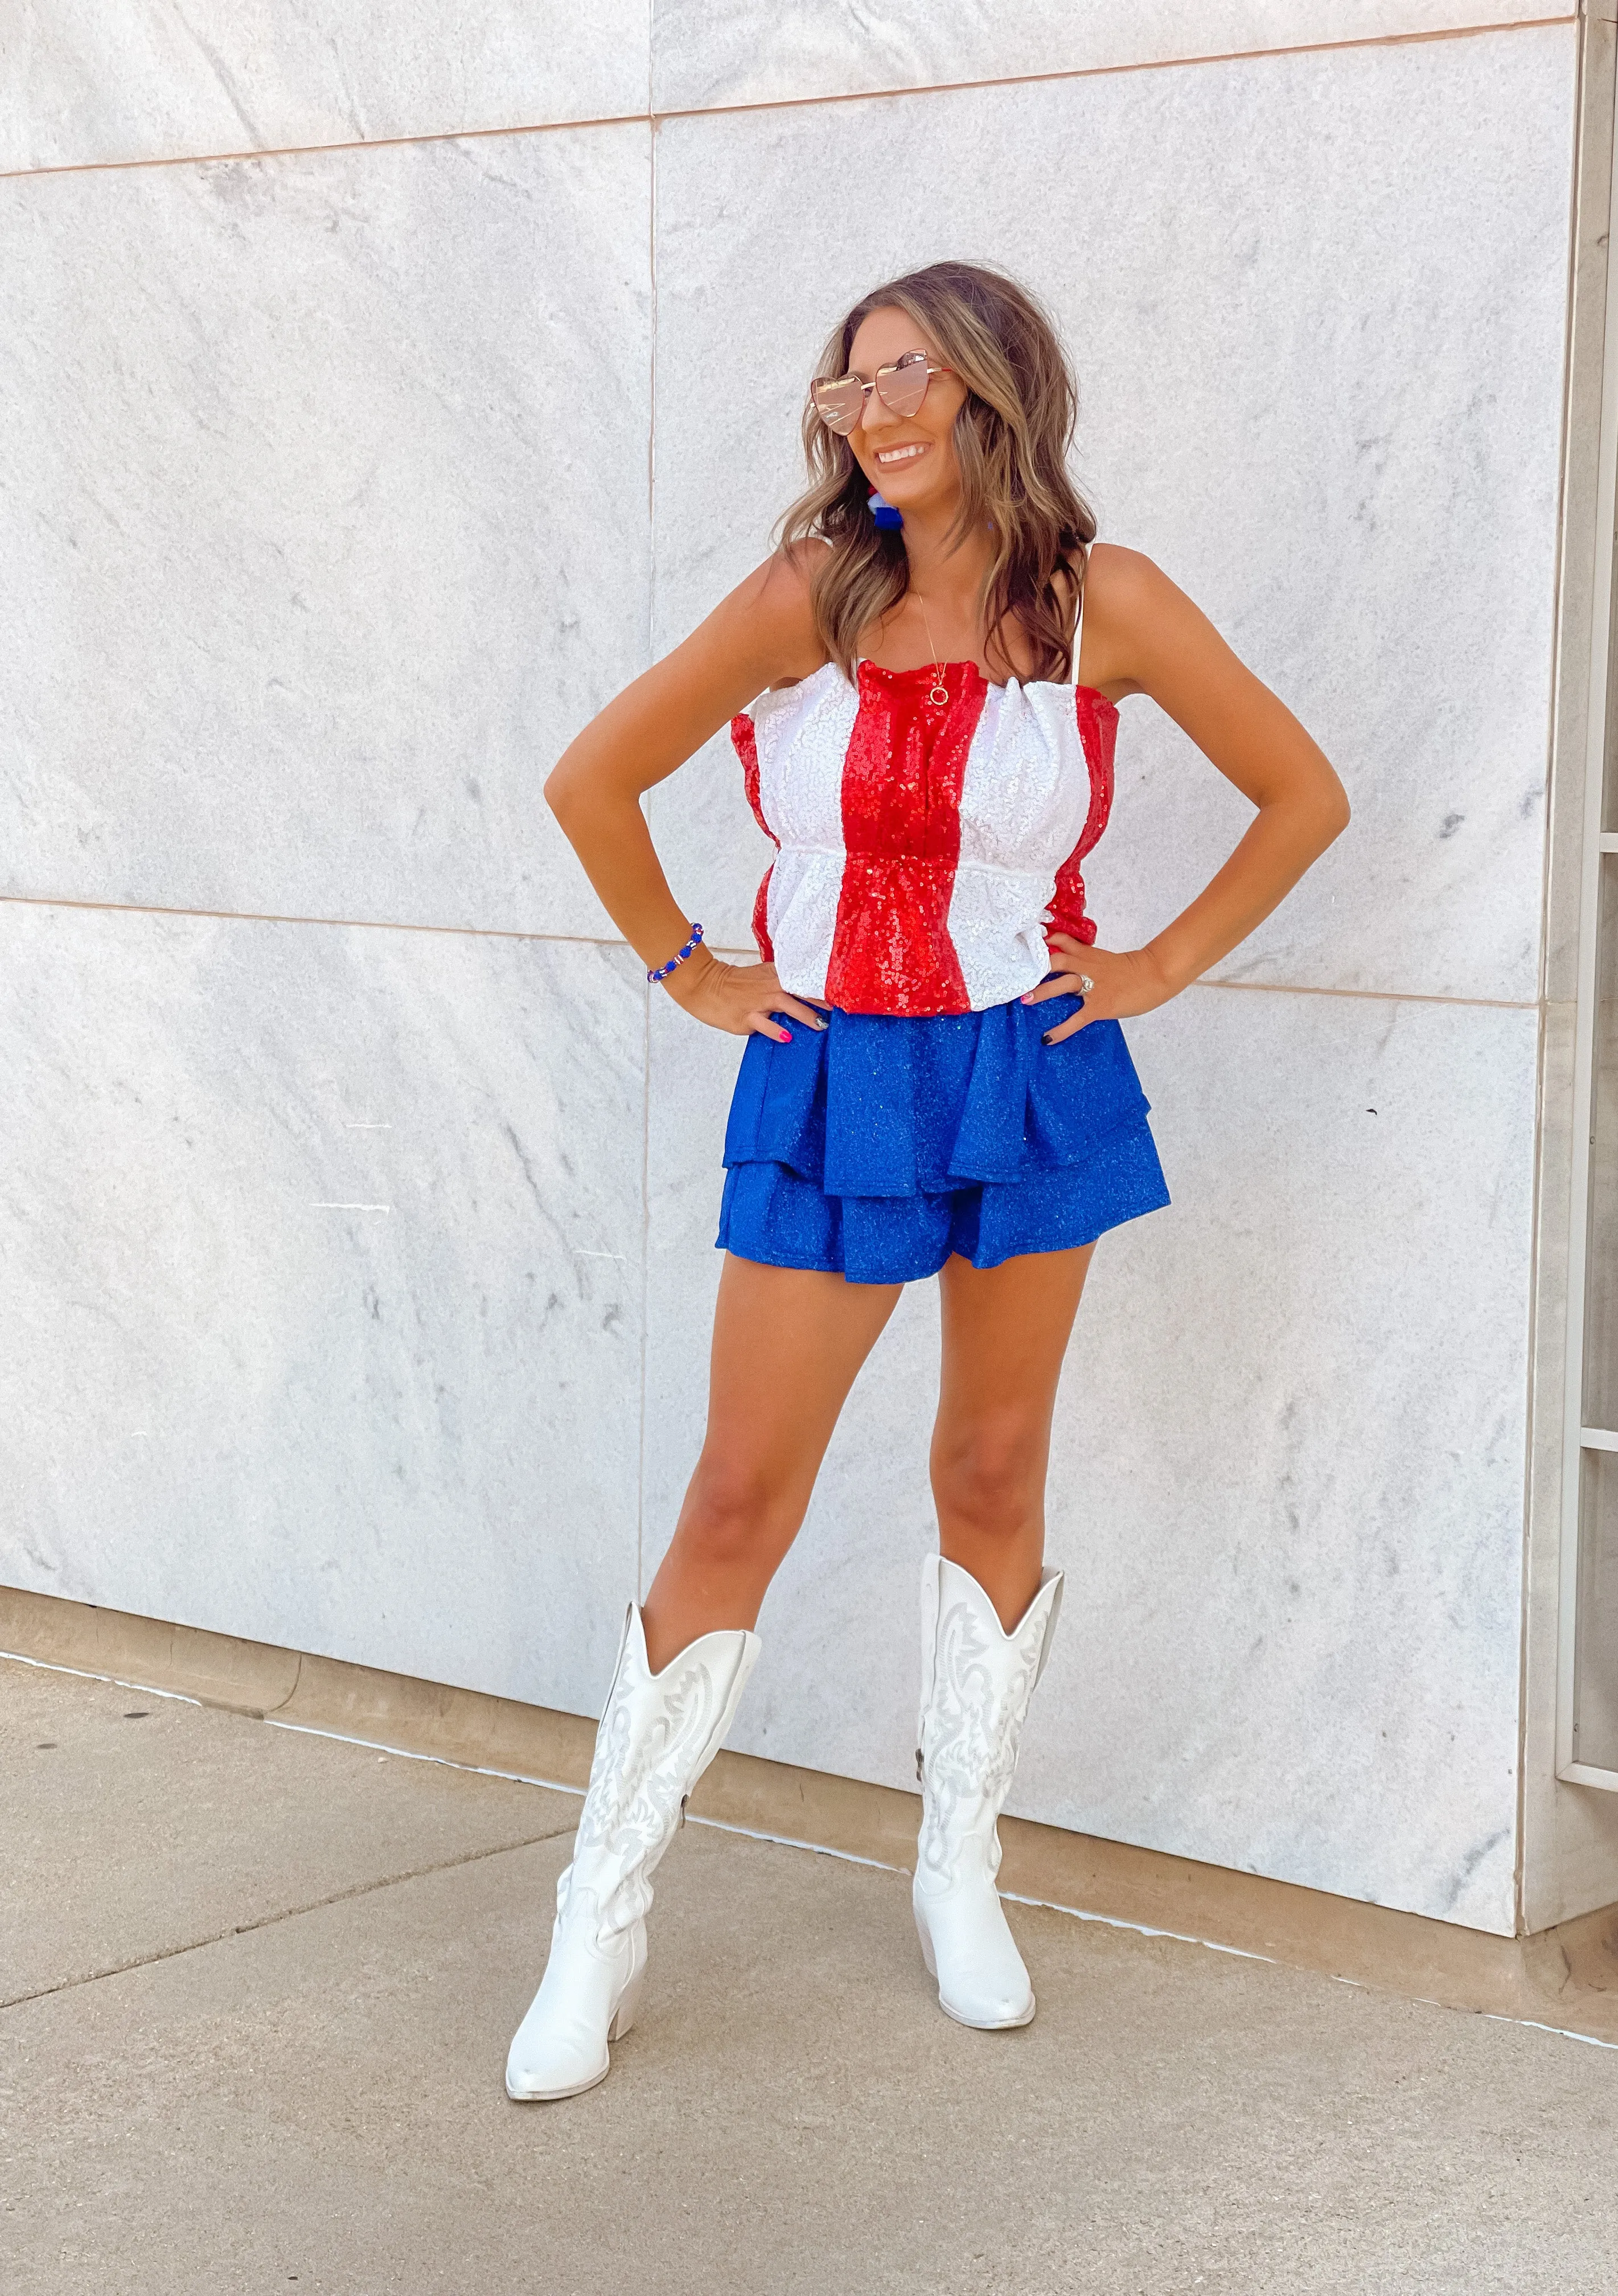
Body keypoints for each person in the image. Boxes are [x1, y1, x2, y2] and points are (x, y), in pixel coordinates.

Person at [506, 260, 1348, 2100]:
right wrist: (689, 966)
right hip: (834, 1079)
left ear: (995, 395)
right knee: (739, 1493)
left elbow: (1303, 792)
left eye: (911, 380)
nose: (871, 412)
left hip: (1028, 1074)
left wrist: (1154, 964)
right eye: (850, 383)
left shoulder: (1098, 604)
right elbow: (595, 779)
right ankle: (602, 1913)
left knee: (990, 1465)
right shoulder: (816, 593)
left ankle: (959, 1863)